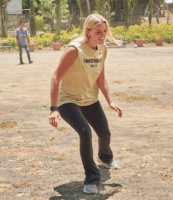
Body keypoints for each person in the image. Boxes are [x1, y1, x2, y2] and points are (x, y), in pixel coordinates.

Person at [48, 14, 121, 195]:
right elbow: (55, 78)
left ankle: (105, 157)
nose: (103, 35)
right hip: (68, 100)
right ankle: (92, 179)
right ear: (88, 31)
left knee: (105, 133)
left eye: (104, 31)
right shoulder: (74, 50)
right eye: (98, 32)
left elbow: (101, 78)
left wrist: (110, 101)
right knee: (85, 132)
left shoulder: (102, 49)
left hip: (90, 99)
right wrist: (53, 108)